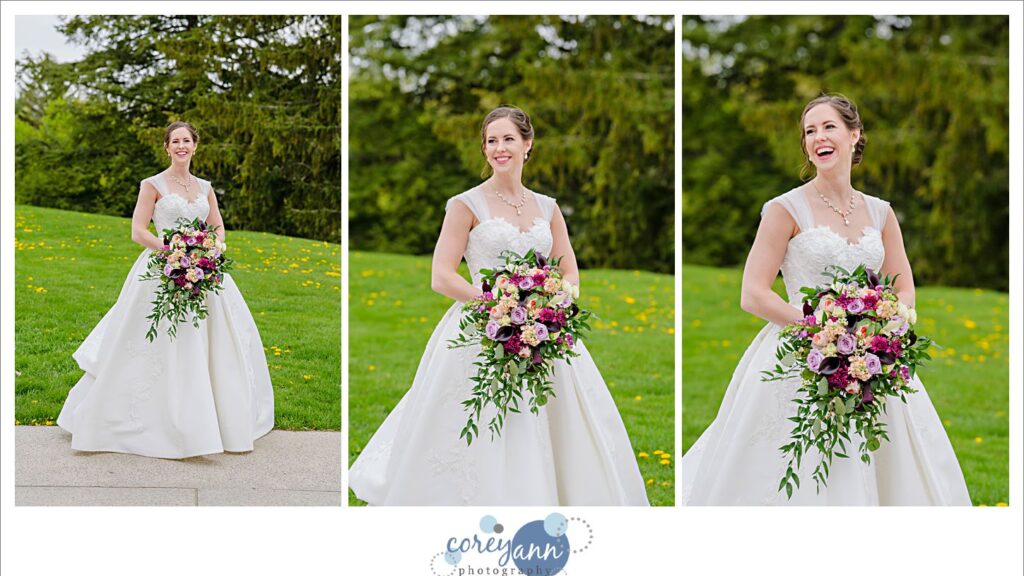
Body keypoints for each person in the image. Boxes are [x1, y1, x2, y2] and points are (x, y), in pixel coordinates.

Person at [349, 106, 649, 505]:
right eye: (491, 141)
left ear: (528, 145)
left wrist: (548, 304)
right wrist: (499, 306)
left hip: (542, 330)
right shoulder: (465, 205)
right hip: (481, 329)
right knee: (475, 418)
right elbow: (442, 276)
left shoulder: (548, 207)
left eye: (508, 139)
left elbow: (569, 272)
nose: (499, 148)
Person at [681, 94, 971, 505]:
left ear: (854, 135)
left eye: (829, 127)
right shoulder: (784, 209)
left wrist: (882, 328)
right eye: (810, 131)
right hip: (801, 354)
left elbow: (904, 287)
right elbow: (753, 293)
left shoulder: (881, 213)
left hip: (871, 358)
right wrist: (821, 331)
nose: (818, 137)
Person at [57, 121, 275, 459]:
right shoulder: (152, 185)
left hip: (202, 269)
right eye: (175, 141)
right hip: (161, 267)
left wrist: (209, 248)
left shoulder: (205, 187)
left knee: (211, 340)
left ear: (195, 145)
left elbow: (217, 226)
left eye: (186, 140)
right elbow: (138, 231)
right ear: (167, 147)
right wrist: (171, 250)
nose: (181, 146)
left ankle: (211, 420)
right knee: (150, 338)